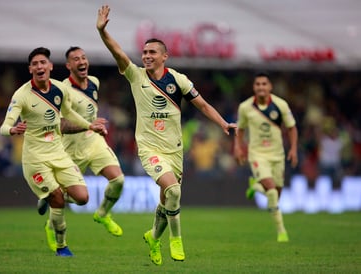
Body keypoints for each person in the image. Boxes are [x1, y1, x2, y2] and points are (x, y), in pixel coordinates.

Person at [96, 5, 237, 265]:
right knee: (173, 189)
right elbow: (117, 52)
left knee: (167, 200)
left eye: (152, 52)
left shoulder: (178, 80)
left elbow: (203, 105)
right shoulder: (135, 75)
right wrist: (103, 31)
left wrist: (223, 124)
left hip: (174, 150)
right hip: (150, 149)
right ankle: (176, 239)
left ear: (164, 56)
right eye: (144, 52)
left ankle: (153, 237)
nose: (146, 56)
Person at [0, 47, 107, 256]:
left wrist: (90, 125)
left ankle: (45, 198)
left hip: (59, 153)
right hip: (36, 158)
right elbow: (4, 126)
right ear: (30, 69)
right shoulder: (22, 95)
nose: (40, 66)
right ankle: (62, 246)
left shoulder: (59, 89)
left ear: (50, 66)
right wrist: (12, 130)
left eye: (43, 63)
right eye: (35, 64)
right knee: (57, 197)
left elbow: (69, 113)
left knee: (82, 198)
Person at [42, 46, 125, 251]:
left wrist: (94, 128)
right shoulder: (61, 91)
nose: (82, 61)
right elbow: (59, 125)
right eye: (76, 59)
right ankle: (50, 225)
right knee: (73, 198)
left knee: (118, 180)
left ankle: (103, 213)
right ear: (68, 65)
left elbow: (91, 113)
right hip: (70, 150)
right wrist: (88, 125)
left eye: (84, 57)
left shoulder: (94, 83)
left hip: (93, 142)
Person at [234, 71, 298, 243]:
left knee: (276, 194)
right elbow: (240, 129)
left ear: (270, 87)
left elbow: (292, 128)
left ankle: (255, 186)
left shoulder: (281, 105)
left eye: (264, 84)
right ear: (254, 87)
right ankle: (281, 231)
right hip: (257, 154)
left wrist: (293, 149)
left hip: (277, 155)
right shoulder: (245, 107)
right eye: (258, 84)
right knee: (271, 190)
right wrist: (238, 148)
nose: (261, 87)